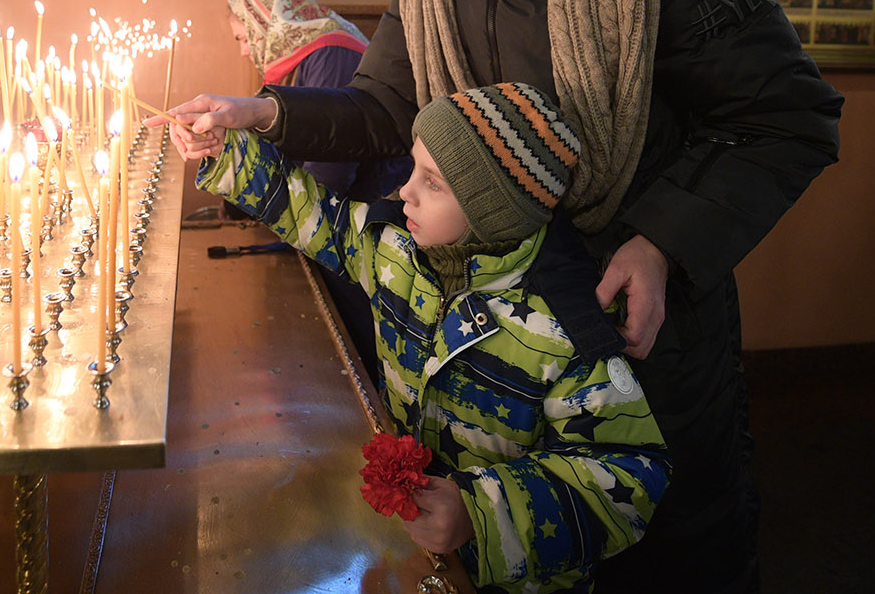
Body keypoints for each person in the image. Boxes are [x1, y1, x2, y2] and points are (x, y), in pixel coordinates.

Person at [160, 0, 844, 592]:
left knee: (669, 545)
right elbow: (382, 111)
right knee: (516, 537)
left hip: (636, 317)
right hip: (503, 320)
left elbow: (789, 114)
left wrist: (660, 242)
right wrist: (260, 110)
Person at [196, 80, 671, 591]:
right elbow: (315, 217)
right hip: (414, 555)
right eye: (413, 167)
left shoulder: (564, 330)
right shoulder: (395, 251)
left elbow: (631, 475)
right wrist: (231, 153)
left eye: (433, 182)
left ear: (493, 213)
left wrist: (479, 514)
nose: (405, 190)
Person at [222, 0, 409, 202]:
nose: (243, 51)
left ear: (264, 24)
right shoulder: (302, 53)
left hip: (373, 205)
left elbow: (329, 172)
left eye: (243, 37)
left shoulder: (330, 53)